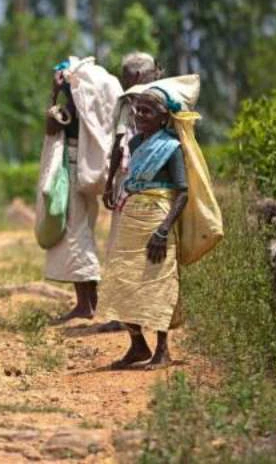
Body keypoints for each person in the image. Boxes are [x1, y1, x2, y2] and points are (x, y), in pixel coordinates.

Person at [96, 86, 190, 370]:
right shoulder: (136, 144)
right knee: (123, 278)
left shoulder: (171, 147)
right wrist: (112, 184)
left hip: (157, 218)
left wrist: (163, 230)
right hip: (132, 214)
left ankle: (163, 349)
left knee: (156, 281)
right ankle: (137, 344)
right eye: (137, 110)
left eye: (147, 111)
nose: (139, 115)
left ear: (163, 118)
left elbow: (183, 192)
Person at [39, 57, 122, 323]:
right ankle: (90, 303)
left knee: (75, 233)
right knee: (81, 230)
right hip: (88, 171)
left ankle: (86, 305)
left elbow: (52, 124)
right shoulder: (90, 114)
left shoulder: (71, 112)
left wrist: (54, 94)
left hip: (74, 171)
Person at [104, 52, 163, 211]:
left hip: (132, 177)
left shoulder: (130, 100)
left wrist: (109, 183)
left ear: (136, 76)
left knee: (124, 230)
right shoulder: (163, 97)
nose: (123, 81)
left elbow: (120, 143)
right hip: (160, 180)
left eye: (124, 76)